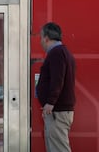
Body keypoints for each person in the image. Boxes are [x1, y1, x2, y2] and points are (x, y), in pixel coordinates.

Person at [36, 22, 76, 152]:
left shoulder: (56, 53)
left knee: (58, 149)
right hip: (58, 111)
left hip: (57, 112)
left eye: (41, 37)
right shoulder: (63, 52)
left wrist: (50, 102)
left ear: (46, 38)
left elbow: (57, 79)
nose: (40, 41)